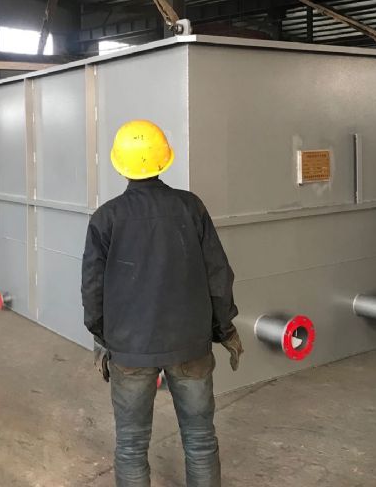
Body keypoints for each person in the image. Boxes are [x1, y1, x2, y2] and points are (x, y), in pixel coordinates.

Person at [81, 120, 243, 487]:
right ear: (164, 159)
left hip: (130, 349)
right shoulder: (191, 207)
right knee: (200, 440)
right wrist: (224, 329)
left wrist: (105, 338)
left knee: (131, 445)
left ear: (119, 164)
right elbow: (218, 276)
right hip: (190, 345)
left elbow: (92, 289)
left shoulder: (106, 218)